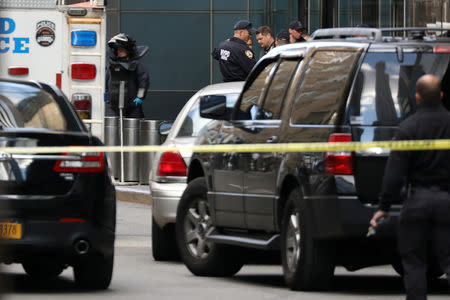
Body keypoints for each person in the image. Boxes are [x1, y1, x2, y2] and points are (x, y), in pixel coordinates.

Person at [370, 74, 450, 300]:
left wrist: (383, 206)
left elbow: (394, 173)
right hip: (447, 203)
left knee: (414, 264)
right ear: (442, 95)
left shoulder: (407, 128)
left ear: (417, 97)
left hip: (417, 204)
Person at [105, 33, 150, 118]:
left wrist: (140, 96)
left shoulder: (136, 64)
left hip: (133, 106)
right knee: (111, 127)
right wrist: (105, 96)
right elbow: (106, 81)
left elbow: (143, 81)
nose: (119, 52)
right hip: (113, 106)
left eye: (121, 50)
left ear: (128, 50)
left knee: (134, 129)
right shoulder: (112, 65)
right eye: (118, 50)